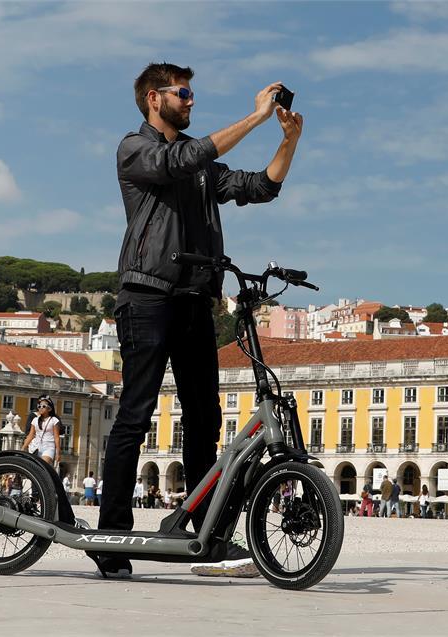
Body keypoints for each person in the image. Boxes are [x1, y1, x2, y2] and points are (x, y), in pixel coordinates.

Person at [99, 62, 302, 581]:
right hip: (146, 295)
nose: (190, 101)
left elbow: (258, 187)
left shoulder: (202, 167)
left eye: (191, 93)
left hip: (194, 300)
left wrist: (288, 141)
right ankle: (110, 534)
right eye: (183, 93)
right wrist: (254, 118)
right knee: (136, 414)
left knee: (205, 419)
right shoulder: (135, 148)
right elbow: (182, 158)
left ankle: (201, 532)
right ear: (153, 98)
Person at [21, 396, 60, 467]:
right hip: (36, 447)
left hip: (49, 447)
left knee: (43, 466)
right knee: (35, 468)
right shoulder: (35, 420)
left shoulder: (54, 420)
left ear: (49, 408)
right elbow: (31, 435)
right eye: (39, 406)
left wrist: (58, 453)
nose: (41, 408)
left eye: (43, 406)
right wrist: (23, 447)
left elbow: (56, 437)